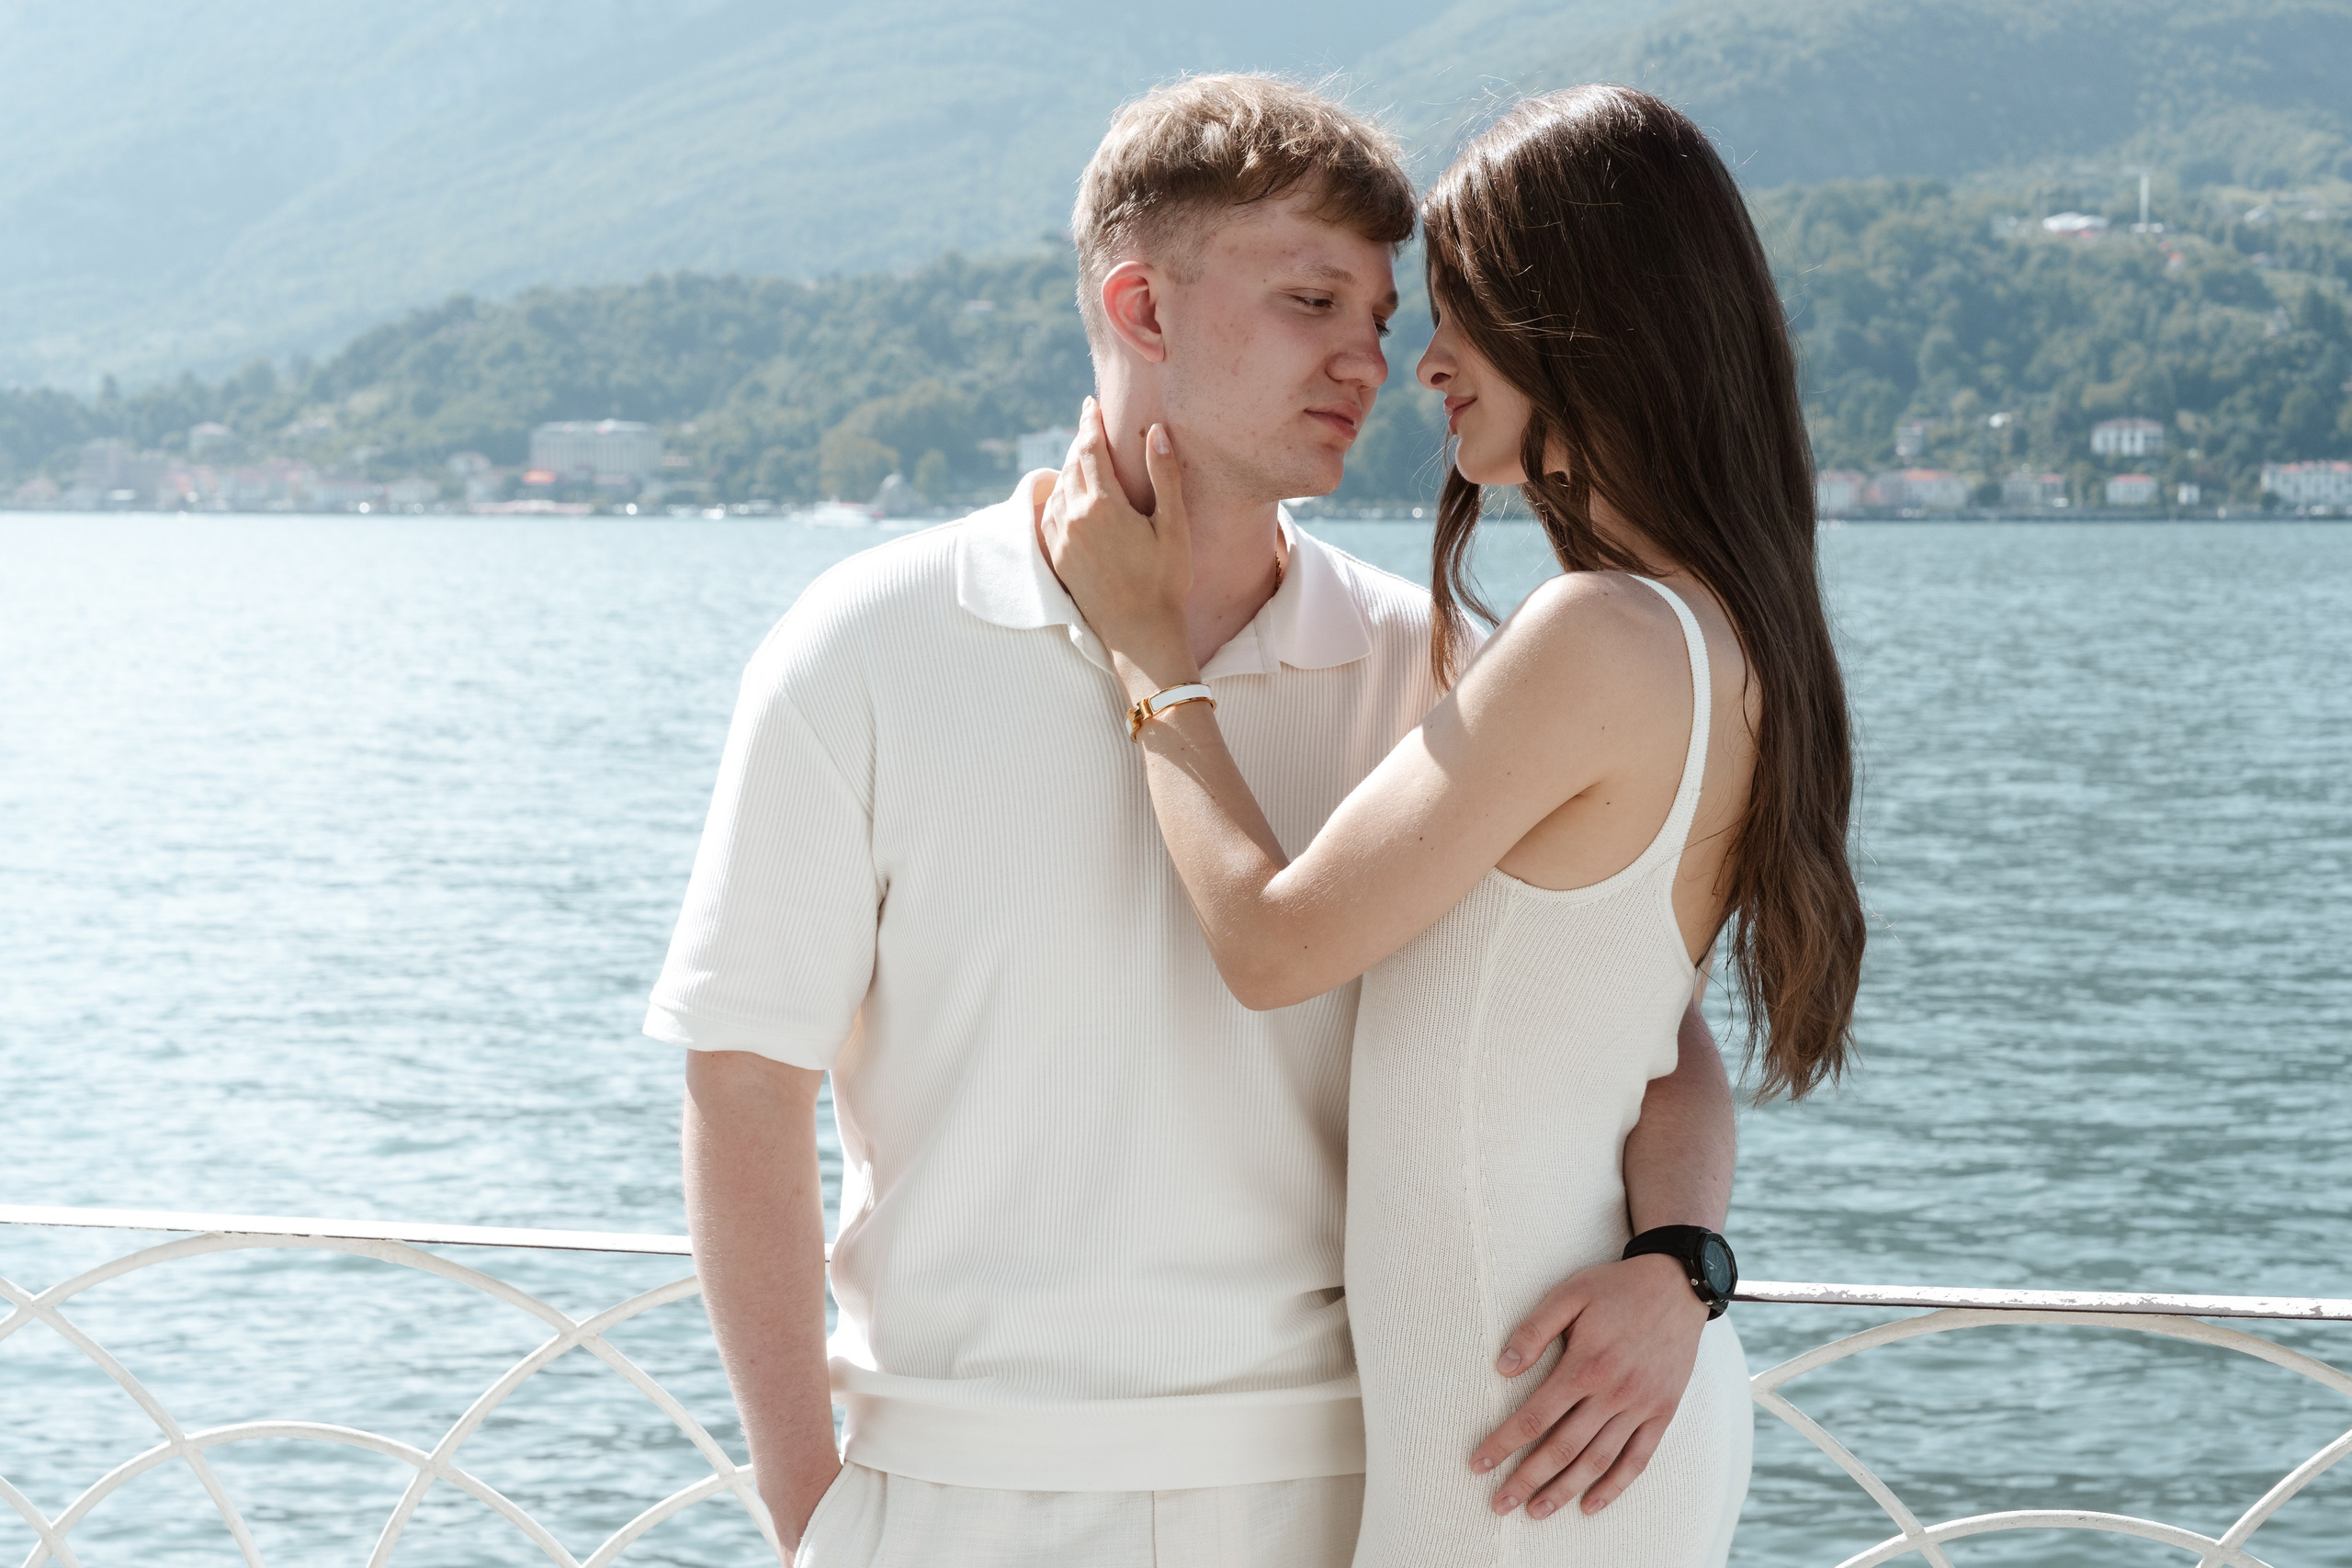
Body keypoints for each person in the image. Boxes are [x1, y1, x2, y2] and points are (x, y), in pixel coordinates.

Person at [647, 75, 1741, 1568]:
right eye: (1313, 300)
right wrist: (810, 1508)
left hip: (1343, 1494)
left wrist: (1679, 1262)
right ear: (1143, 311)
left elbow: (1649, 1031)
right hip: (956, 1501)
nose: (1377, 359)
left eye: (1380, 309)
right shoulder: (866, 644)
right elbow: (741, 1080)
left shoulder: (1431, 670)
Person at [1039, 84, 1866, 1567]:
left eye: (1467, 314)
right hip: (1567, 1408)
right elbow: (1661, 1038)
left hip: (1529, 1435)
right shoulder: (1721, 635)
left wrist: (1146, 651)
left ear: (1588, 325)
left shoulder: (1601, 637)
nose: (1421, 362)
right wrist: (1684, 1260)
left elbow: (1278, 944)